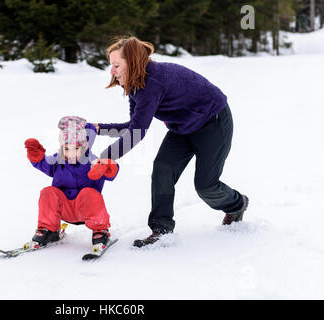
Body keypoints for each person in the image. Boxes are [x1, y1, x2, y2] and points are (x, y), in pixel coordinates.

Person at [92, 37, 249, 248]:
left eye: (116, 65)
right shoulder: (136, 84)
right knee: (162, 169)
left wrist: (106, 157)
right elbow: (134, 125)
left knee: (206, 186)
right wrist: (98, 128)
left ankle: (237, 204)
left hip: (213, 122)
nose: (112, 71)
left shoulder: (152, 83)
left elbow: (136, 133)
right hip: (182, 127)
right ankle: (161, 230)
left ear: (133, 62)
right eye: (111, 65)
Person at [24, 116, 119, 253]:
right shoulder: (58, 161)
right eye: (66, 149)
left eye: (76, 148)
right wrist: (36, 155)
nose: (71, 153)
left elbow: (112, 171)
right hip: (65, 209)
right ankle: (49, 230)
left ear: (84, 147)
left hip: (86, 210)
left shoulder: (92, 162)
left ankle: (100, 231)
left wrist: (106, 167)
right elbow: (43, 164)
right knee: (48, 192)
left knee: (89, 193)